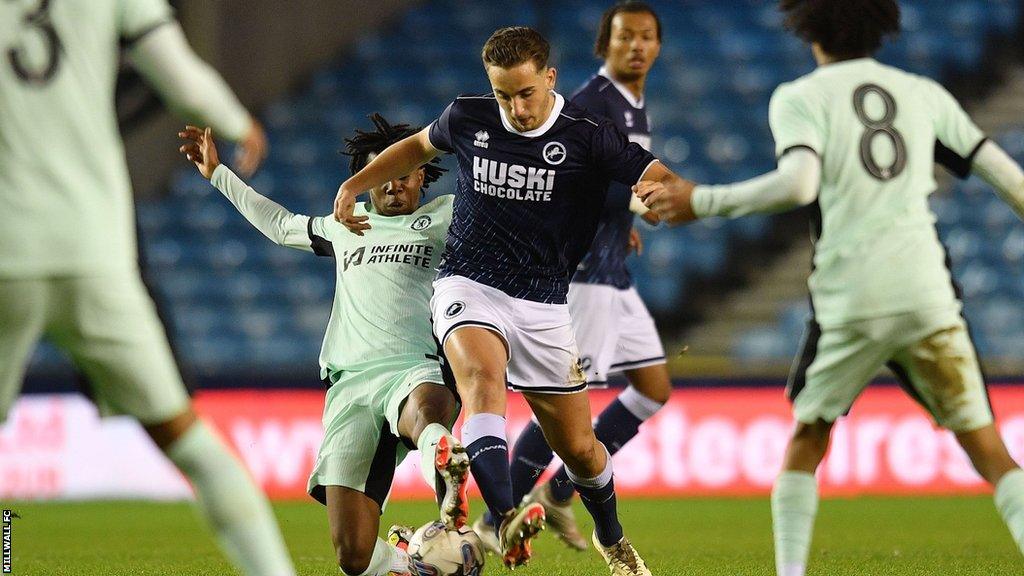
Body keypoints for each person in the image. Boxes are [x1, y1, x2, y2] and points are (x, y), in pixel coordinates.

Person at [636, 1, 1024, 575]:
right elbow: (1013, 183)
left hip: (851, 298)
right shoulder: (924, 94)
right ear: (881, 24)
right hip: (926, 293)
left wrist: (703, 199)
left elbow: (799, 183)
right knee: (992, 453)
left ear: (806, 26)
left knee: (806, 441)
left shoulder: (800, 97)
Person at [333, 25, 696, 576]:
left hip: (545, 305)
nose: (515, 107)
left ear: (549, 79)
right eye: (503, 94)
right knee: (481, 380)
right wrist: (353, 184)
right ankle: (503, 517)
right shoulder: (468, 117)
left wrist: (660, 193)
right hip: (469, 285)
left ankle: (612, 538)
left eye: (525, 93)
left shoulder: (588, 135)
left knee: (579, 450)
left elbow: (658, 175)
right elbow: (416, 147)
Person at [0, 2, 293, 575]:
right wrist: (237, 123)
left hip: (6, 254)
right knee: (187, 438)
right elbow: (179, 74)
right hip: (93, 250)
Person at [178, 114, 471, 576]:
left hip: (415, 364)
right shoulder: (345, 226)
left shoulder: (446, 216)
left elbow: (508, 211)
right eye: (382, 177)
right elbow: (278, 224)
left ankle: (445, 460)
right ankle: (414, 565)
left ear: (421, 175)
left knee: (426, 409)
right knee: (353, 556)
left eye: (402, 175)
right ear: (366, 181)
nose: (393, 186)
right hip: (350, 383)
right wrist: (219, 173)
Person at [494, 1, 671, 552]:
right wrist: (633, 206)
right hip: (584, 275)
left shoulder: (631, 105)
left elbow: (607, 180)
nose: (636, 46)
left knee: (652, 387)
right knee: (566, 409)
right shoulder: (594, 103)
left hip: (612, 265)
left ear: (657, 46)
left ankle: (560, 494)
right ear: (605, 44)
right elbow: (572, 175)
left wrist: (622, 219)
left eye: (646, 37)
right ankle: (489, 525)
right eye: (624, 37)